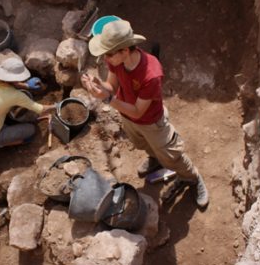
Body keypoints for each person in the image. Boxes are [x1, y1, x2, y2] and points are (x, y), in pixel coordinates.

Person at [81, 19, 209, 208]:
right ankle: (155, 158)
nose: (106, 59)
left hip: (151, 121)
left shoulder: (151, 74)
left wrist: (107, 99)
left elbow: (139, 111)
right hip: (128, 117)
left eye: (109, 54)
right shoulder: (116, 61)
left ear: (124, 51)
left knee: (172, 155)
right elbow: (112, 86)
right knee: (142, 143)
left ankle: (192, 177)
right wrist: (100, 87)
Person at [0, 50, 55, 155]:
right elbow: (41, 109)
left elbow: (9, 84)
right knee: (31, 130)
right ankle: (2, 143)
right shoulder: (14, 96)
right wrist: (56, 105)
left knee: (8, 112)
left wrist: (27, 86)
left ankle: (5, 132)